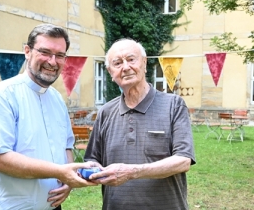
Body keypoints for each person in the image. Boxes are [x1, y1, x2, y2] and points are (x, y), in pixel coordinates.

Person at [0, 23, 97, 210]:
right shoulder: (2, 95)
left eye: (60, 55)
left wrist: (68, 181)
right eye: (45, 52)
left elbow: (66, 146)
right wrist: (60, 172)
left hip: (53, 206)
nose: (52, 61)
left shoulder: (57, 99)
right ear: (27, 51)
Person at [84, 38, 196, 210]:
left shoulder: (173, 105)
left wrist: (131, 172)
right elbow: (92, 160)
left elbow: (183, 161)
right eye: (117, 63)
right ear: (110, 71)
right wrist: (91, 169)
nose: (126, 67)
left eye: (131, 59)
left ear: (144, 63)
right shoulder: (105, 112)